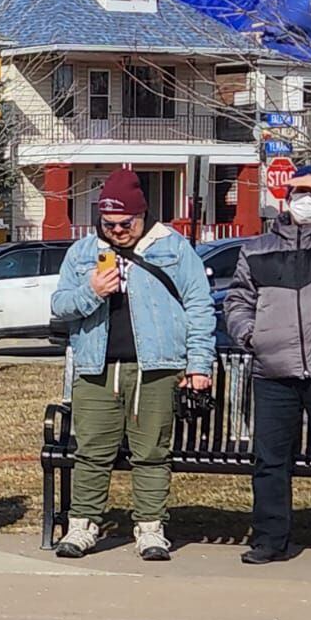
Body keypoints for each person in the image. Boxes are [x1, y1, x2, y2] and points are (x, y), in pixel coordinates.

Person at [49, 169, 214, 561]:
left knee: (152, 451)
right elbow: (59, 306)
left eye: (126, 224)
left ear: (143, 216)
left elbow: (199, 306)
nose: (118, 231)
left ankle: (151, 528)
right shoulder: (83, 252)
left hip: (155, 366)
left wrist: (199, 364)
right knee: (90, 451)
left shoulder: (172, 248)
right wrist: (91, 291)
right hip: (96, 366)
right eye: (109, 224)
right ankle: (82, 525)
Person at [224, 165, 311, 565]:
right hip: (272, 371)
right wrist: (250, 336)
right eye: (299, 192)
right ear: (286, 197)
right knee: (270, 461)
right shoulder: (256, 248)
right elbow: (237, 301)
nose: (305, 201)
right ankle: (269, 539)